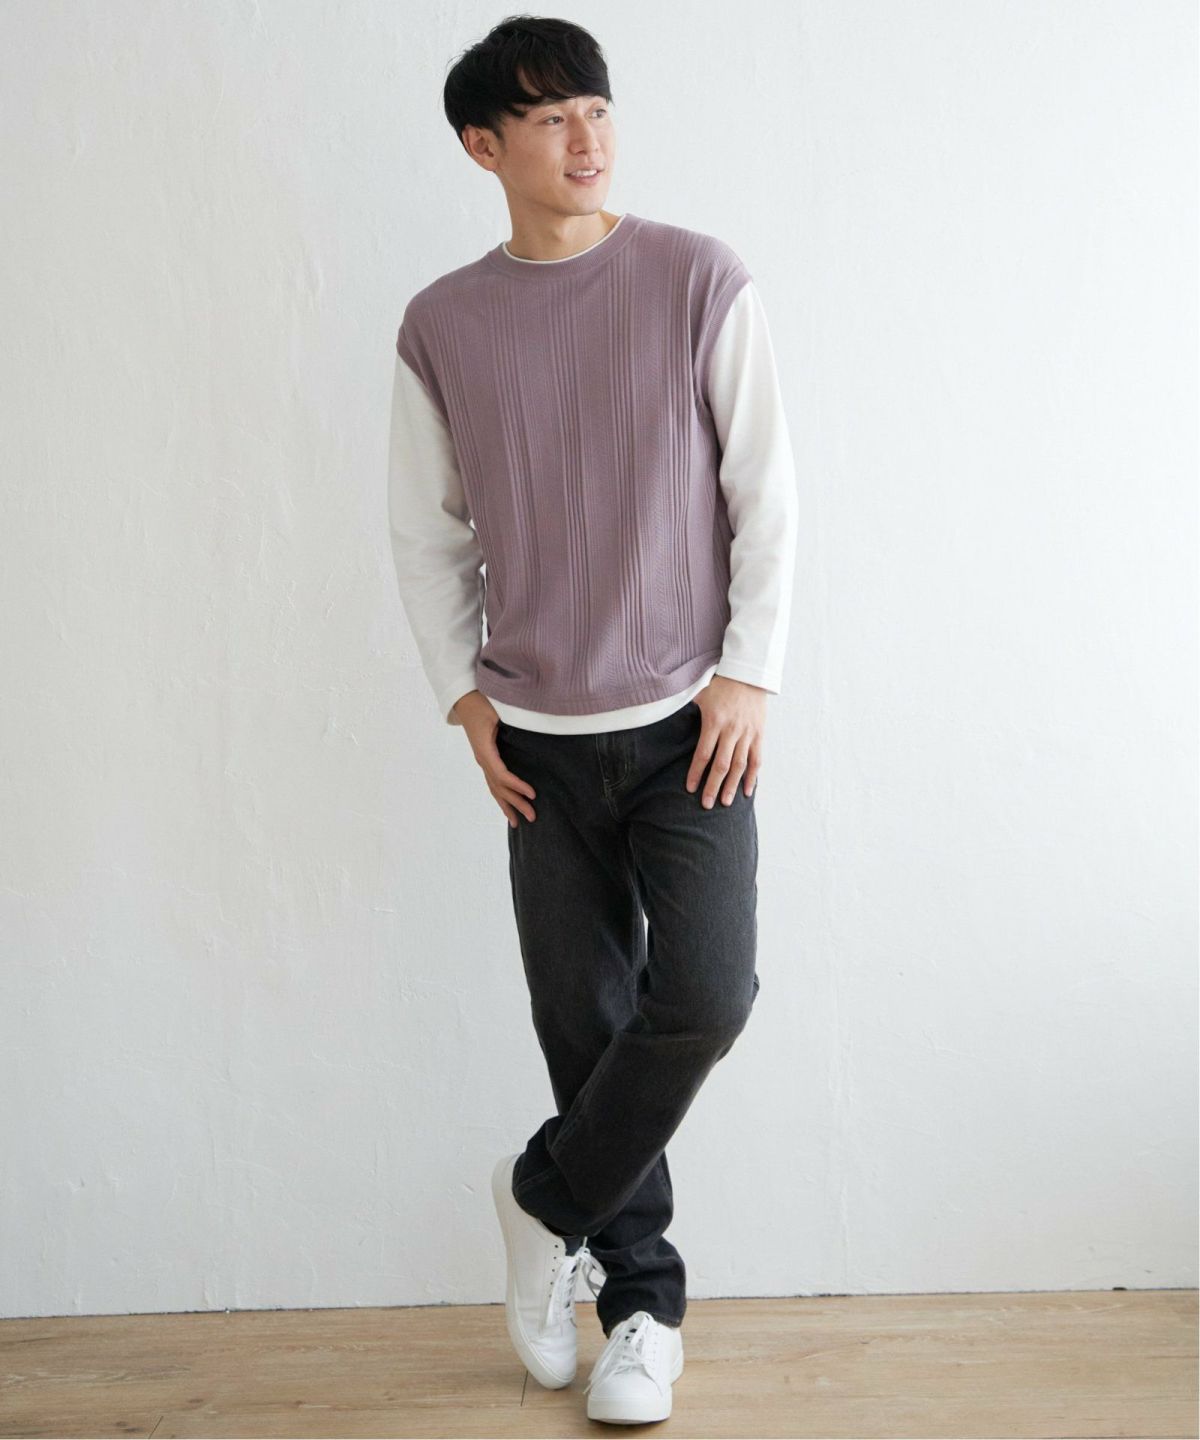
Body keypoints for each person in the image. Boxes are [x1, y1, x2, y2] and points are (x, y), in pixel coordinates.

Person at [387, 15, 798, 1426]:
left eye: (598, 109)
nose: (587, 137)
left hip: (693, 724)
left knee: (706, 996)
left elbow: (765, 490)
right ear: (483, 146)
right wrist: (462, 697)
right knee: (585, 1022)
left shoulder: (696, 276)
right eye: (551, 116)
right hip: (534, 744)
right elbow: (426, 529)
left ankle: (543, 1196)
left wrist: (749, 672)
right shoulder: (443, 323)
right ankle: (640, 1310)